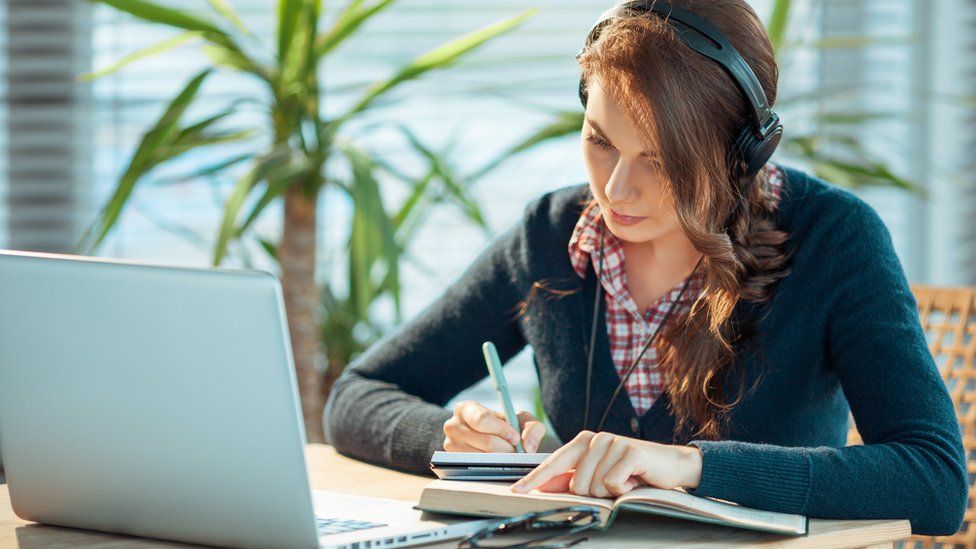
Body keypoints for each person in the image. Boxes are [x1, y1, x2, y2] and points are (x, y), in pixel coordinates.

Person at [324, 0, 966, 536]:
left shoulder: (834, 237)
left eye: (658, 160)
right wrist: (456, 441)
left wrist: (689, 467)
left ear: (739, 155)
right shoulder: (550, 235)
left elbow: (934, 480)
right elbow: (356, 396)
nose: (617, 191)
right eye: (600, 141)